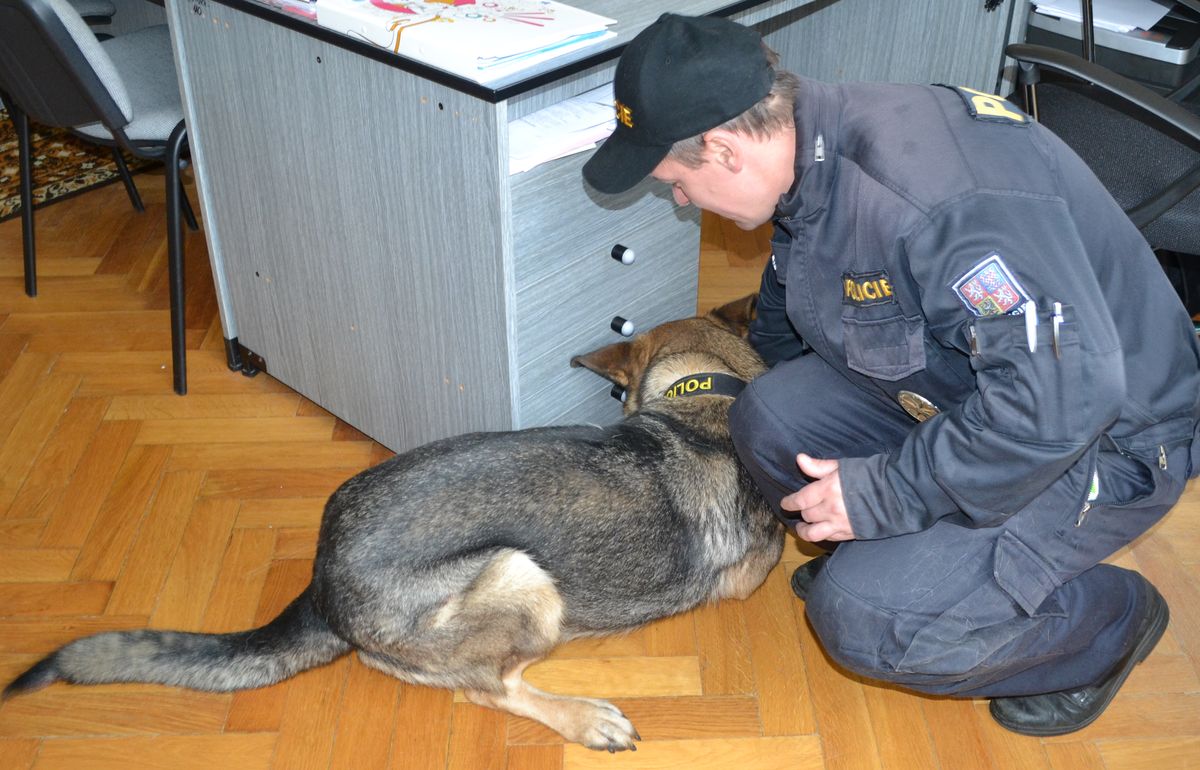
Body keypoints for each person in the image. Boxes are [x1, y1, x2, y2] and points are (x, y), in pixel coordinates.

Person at [582, 12, 1200, 736]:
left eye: (676, 184)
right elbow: (794, 302)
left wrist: (885, 492)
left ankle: (1111, 623)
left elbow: (1060, 402)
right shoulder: (812, 153)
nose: (682, 201)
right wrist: (874, 498)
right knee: (770, 417)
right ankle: (907, 563)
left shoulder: (935, 202)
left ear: (723, 149)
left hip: (1105, 438)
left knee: (869, 623)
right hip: (975, 386)